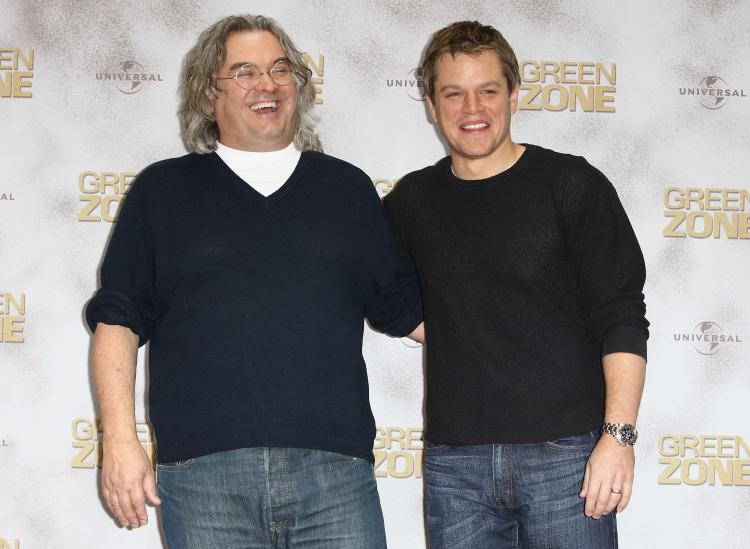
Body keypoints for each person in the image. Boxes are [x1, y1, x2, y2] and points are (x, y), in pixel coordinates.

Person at [86, 14, 422, 548]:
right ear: (207, 94)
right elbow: (117, 321)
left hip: (334, 474)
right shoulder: (162, 192)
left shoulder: (347, 190)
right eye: (244, 72)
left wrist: (536, 318)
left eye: (279, 69)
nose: (267, 84)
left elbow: (408, 311)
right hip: (203, 479)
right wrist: (119, 441)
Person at [383, 21, 648, 549]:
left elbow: (621, 315)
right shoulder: (412, 201)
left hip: (567, 459)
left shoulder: (571, 185)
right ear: (432, 106)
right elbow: (378, 292)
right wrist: (459, 327)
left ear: (515, 96)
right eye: (453, 94)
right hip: (456, 464)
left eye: (488, 90)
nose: (471, 109)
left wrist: (617, 438)